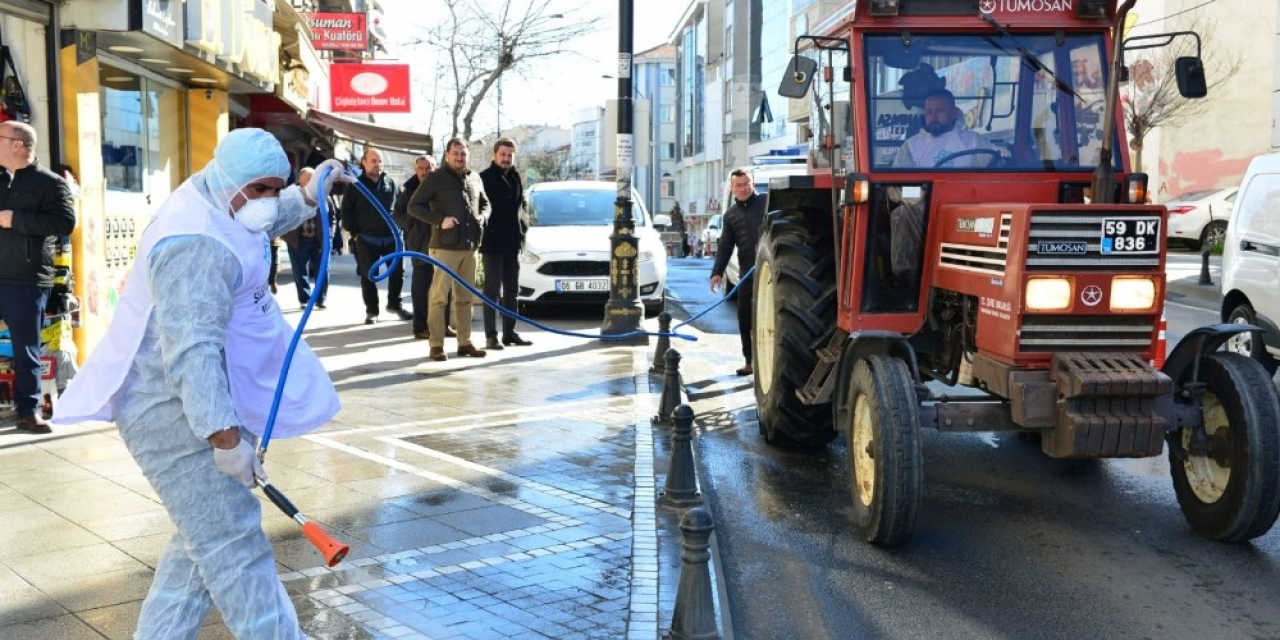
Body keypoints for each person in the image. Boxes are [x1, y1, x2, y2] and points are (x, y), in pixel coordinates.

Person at [53, 128, 346, 639]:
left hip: (202, 398)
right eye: (260, 189)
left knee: (201, 544)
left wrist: (306, 193)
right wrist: (224, 437)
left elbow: (262, 215)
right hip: (168, 409)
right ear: (230, 180)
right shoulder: (194, 245)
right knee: (234, 546)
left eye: (275, 188)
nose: (268, 200)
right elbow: (192, 351)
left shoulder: (221, 196)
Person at [0, 121, 76, 434]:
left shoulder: (51, 183)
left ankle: (28, 412)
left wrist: (16, 219)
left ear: (17, 144)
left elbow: (65, 223)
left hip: (27, 280)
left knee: (26, 350)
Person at [408, 136, 489, 362]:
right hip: (444, 248)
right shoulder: (435, 178)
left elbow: (485, 203)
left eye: (463, 154)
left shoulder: (475, 178)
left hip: (469, 248)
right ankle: (436, 345)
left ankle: (465, 342)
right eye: (455, 154)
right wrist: (440, 220)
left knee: (465, 299)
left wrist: (483, 216)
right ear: (447, 155)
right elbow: (414, 206)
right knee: (439, 298)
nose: (459, 157)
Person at [342, 147, 411, 324]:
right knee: (369, 276)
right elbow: (346, 211)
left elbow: (401, 206)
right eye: (373, 161)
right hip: (367, 239)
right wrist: (355, 233)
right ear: (364, 162)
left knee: (397, 273)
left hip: (391, 238)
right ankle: (372, 311)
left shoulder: (390, 183)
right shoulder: (355, 185)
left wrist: (401, 227)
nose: (377, 164)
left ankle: (395, 305)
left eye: (380, 161)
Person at [710, 168, 765, 376]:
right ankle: (749, 361)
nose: (743, 188)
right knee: (744, 319)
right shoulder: (730, 216)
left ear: (753, 184)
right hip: (747, 274)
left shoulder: (766, 202)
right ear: (732, 189)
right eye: (739, 185)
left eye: (746, 184)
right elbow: (725, 246)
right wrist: (717, 272)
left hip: (771, 270)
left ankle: (768, 361)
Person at [479, 137, 532, 350]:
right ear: (495, 155)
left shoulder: (516, 177)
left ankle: (510, 333)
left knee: (511, 290)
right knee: (491, 291)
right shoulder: (484, 178)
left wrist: (523, 231)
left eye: (510, 155)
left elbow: (520, 209)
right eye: (503, 154)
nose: (506, 158)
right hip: (492, 243)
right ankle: (491, 336)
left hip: (512, 243)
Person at [394, 154, 451, 340]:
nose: (425, 172)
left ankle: (443, 325)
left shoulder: (442, 186)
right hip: (419, 244)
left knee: (443, 287)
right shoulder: (409, 191)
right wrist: (411, 219)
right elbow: (397, 216)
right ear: (416, 170)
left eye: (429, 168)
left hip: (442, 244)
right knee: (421, 289)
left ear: (435, 169)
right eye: (421, 168)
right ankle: (420, 327)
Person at [893, 89, 991, 169]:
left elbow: (991, 167)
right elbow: (898, 183)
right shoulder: (911, 146)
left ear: (954, 113)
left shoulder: (973, 141)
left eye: (939, 111)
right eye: (929, 112)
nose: (933, 117)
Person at [282, 166, 332, 309]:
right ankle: (305, 299)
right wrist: (286, 235)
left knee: (322, 270)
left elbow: (333, 216)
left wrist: (330, 234)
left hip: (319, 241)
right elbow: (282, 215)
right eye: (309, 178)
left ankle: (321, 299)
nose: (312, 181)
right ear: (300, 179)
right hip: (298, 240)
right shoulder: (291, 195)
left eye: (314, 178)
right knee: (300, 272)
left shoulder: (323, 195)